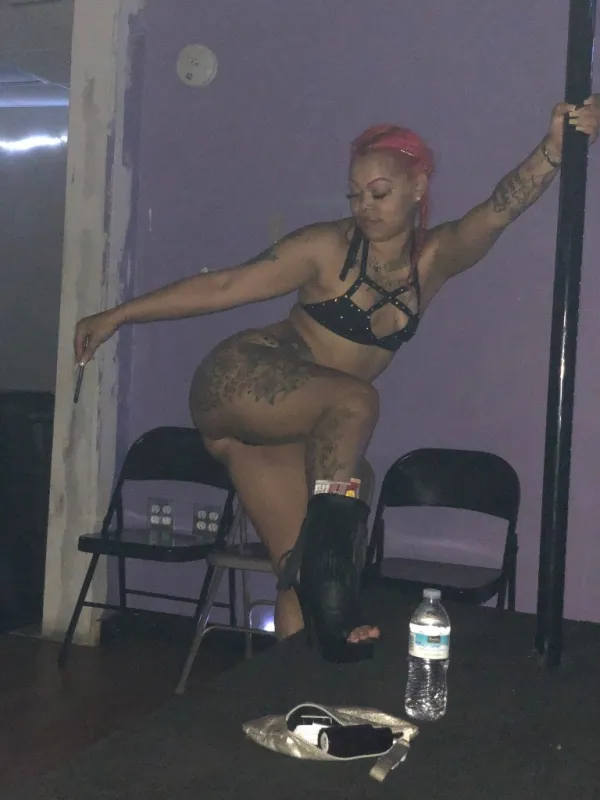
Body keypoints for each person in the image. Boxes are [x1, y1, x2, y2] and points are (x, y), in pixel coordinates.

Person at [75, 96, 600, 662]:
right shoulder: (326, 248)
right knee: (355, 406)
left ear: (418, 187)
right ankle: (335, 586)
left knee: (299, 571)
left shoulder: (436, 258)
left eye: (379, 193)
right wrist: (117, 316)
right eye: (354, 194)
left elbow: (500, 209)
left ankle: (300, 686)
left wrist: (555, 147)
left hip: (289, 433)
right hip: (240, 379)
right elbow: (225, 286)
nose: (364, 206)